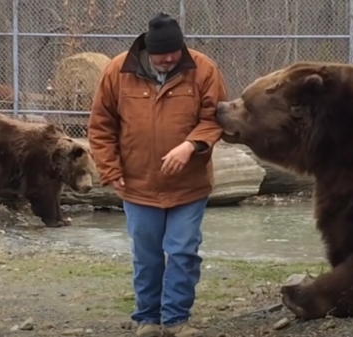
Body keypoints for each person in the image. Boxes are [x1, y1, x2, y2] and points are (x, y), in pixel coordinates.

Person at [87, 12, 227, 337]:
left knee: (182, 250)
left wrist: (191, 146)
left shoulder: (203, 69)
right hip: (137, 185)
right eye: (162, 53)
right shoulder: (117, 71)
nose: (168, 59)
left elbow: (215, 116)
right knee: (147, 254)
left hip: (189, 185)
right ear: (147, 50)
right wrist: (109, 169)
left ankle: (177, 319)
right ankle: (147, 319)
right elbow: (101, 126)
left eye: (174, 52)